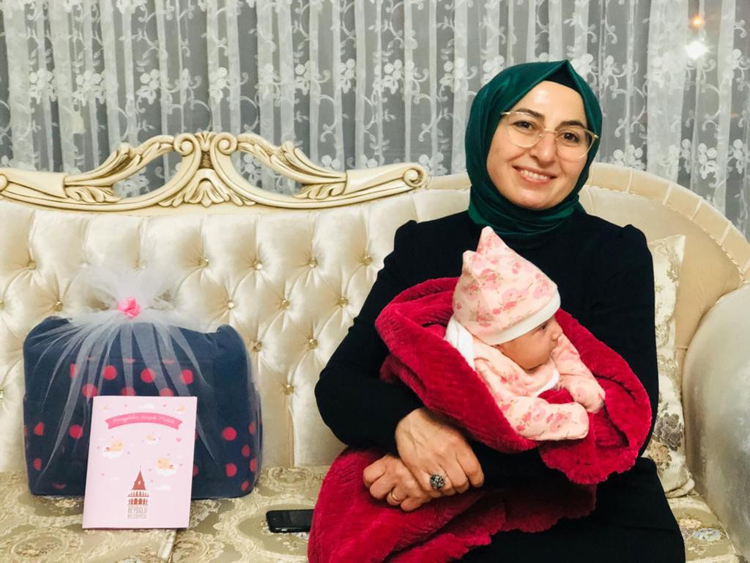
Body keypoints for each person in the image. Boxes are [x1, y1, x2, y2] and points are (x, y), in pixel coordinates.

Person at [315, 60, 685, 561]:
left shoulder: (616, 253)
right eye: (525, 124)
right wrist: (408, 425)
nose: (546, 153)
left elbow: (625, 420)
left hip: (591, 497)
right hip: (451, 508)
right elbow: (340, 386)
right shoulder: (423, 247)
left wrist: (446, 470)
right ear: (487, 130)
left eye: (570, 136)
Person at [445, 226, 604, 441]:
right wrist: (574, 418)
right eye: (543, 327)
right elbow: (512, 416)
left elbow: (566, 355)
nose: (558, 331)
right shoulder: (485, 365)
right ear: (500, 344)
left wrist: (579, 382)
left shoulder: (540, 339)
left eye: (553, 319)